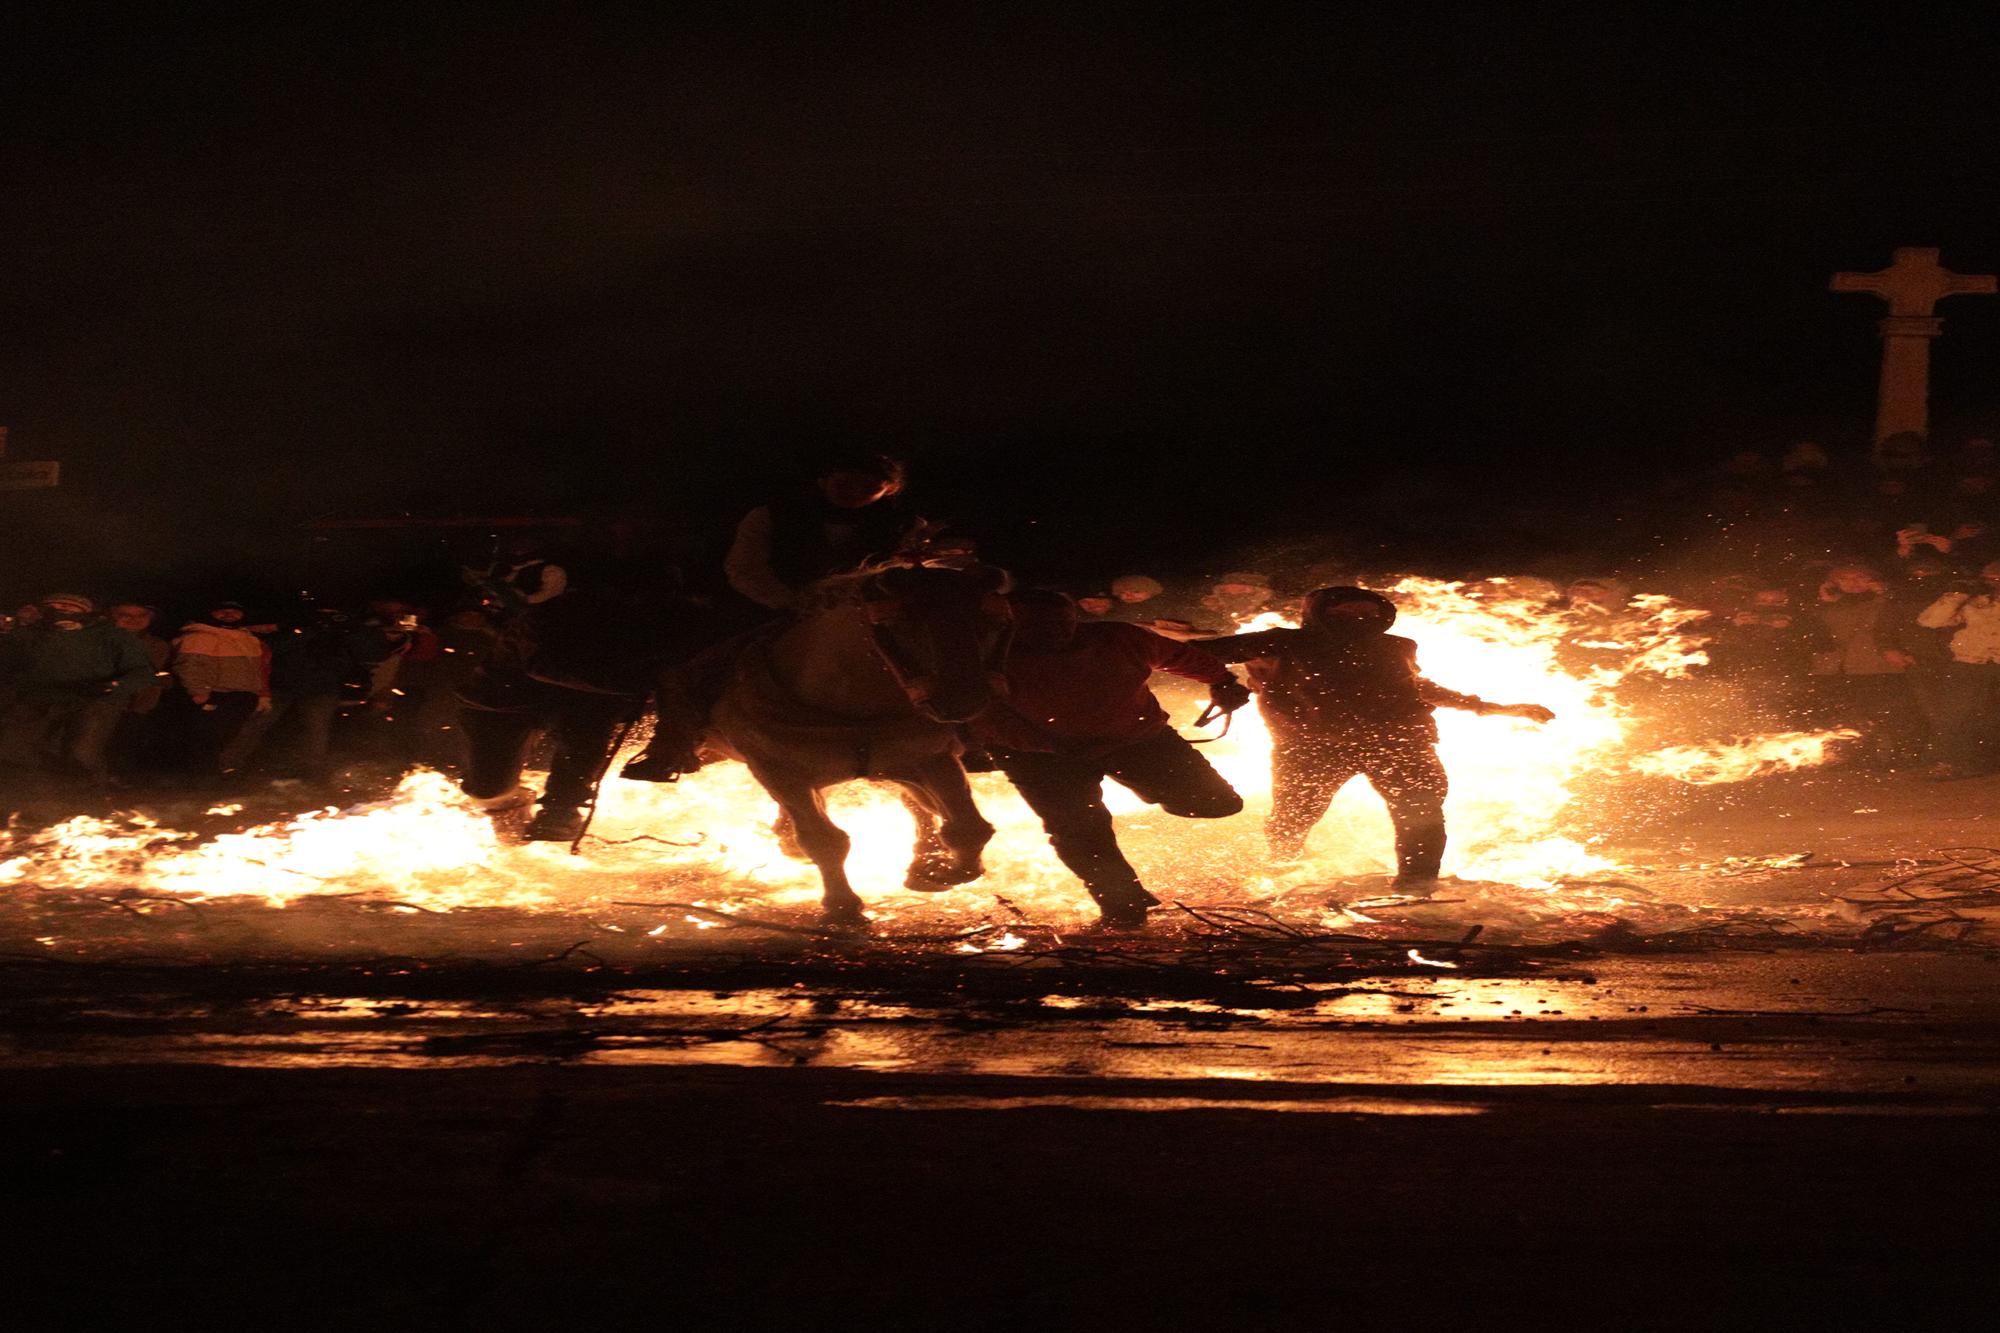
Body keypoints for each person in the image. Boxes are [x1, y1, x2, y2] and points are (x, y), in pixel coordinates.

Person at [1203, 586, 1553, 890]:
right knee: (1292, 820)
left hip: (1399, 741)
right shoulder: (1278, 642)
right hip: (1312, 747)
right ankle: (1284, 873)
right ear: (1319, 615)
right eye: (1344, 612)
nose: (1357, 618)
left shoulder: (1397, 646)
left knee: (1422, 813)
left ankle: (1418, 885)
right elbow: (1196, 655)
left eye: (1367, 612)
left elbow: (1417, 688)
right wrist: (1222, 683)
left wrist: (1494, 707)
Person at [971, 589, 1250, 928]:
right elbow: (983, 715)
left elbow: (1178, 655)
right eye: (1036, 625)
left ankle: (1147, 786)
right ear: (1010, 624)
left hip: (1136, 740)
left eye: (1060, 623)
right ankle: (1122, 903)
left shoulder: (1119, 638)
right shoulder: (986, 658)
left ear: (1075, 619)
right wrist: (1049, 747)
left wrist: (1222, 680)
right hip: (1042, 758)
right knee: (1078, 830)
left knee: (1218, 803)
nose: (1051, 632)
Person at [723, 453, 915, 612]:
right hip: (772, 612)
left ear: (890, 489)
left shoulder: (903, 526)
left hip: (864, 617)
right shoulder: (771, 517)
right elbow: (744, 568)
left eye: (869, 488)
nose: (855, 493)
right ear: (823, 480)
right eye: (844, 484)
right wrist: (793, 603)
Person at [0, 593, 158, 785]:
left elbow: (141, 671)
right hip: (38, 698)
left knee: (82, 752)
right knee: (15, 748)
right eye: (57, 606)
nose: (64, 610)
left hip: (95, 699)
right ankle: (33, 797)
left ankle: (89, 800)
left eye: (72, 607)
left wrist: (116, 686)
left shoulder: (111, 635)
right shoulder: (28, 633)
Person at [1805, 564, 1921, 767]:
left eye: (1860, 577)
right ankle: (1854, 756)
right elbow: (1820, 634)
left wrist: (1885, 595)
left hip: (1876, 665)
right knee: (1848, 715)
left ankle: (1894, 757)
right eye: (1845, 579)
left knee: (1886, 713)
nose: (1853, 583)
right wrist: (1824, 603)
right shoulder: (1828, 605)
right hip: (1835, 667)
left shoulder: (1886, 602)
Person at [1913, 560, 2000, 778]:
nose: (1995, 583)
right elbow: (1929, 621)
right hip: (1969, 662)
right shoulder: (1973, 602)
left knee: (1992, 717)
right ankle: (1951, 762)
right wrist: (1956, 595)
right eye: (1990, 579)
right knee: (1953, 714)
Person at [172, 601, 272, 776]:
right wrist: (199, 693)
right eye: (222, 611)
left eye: (234, 611)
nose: (228, 615)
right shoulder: (200, 636)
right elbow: (188, 666)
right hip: (216, 695)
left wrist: (260, 693)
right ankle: (203, 781)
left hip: (243, 696)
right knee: (208, 740)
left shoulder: (247, 638)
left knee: (228, 738)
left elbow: (258, 669)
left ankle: (217, 774)